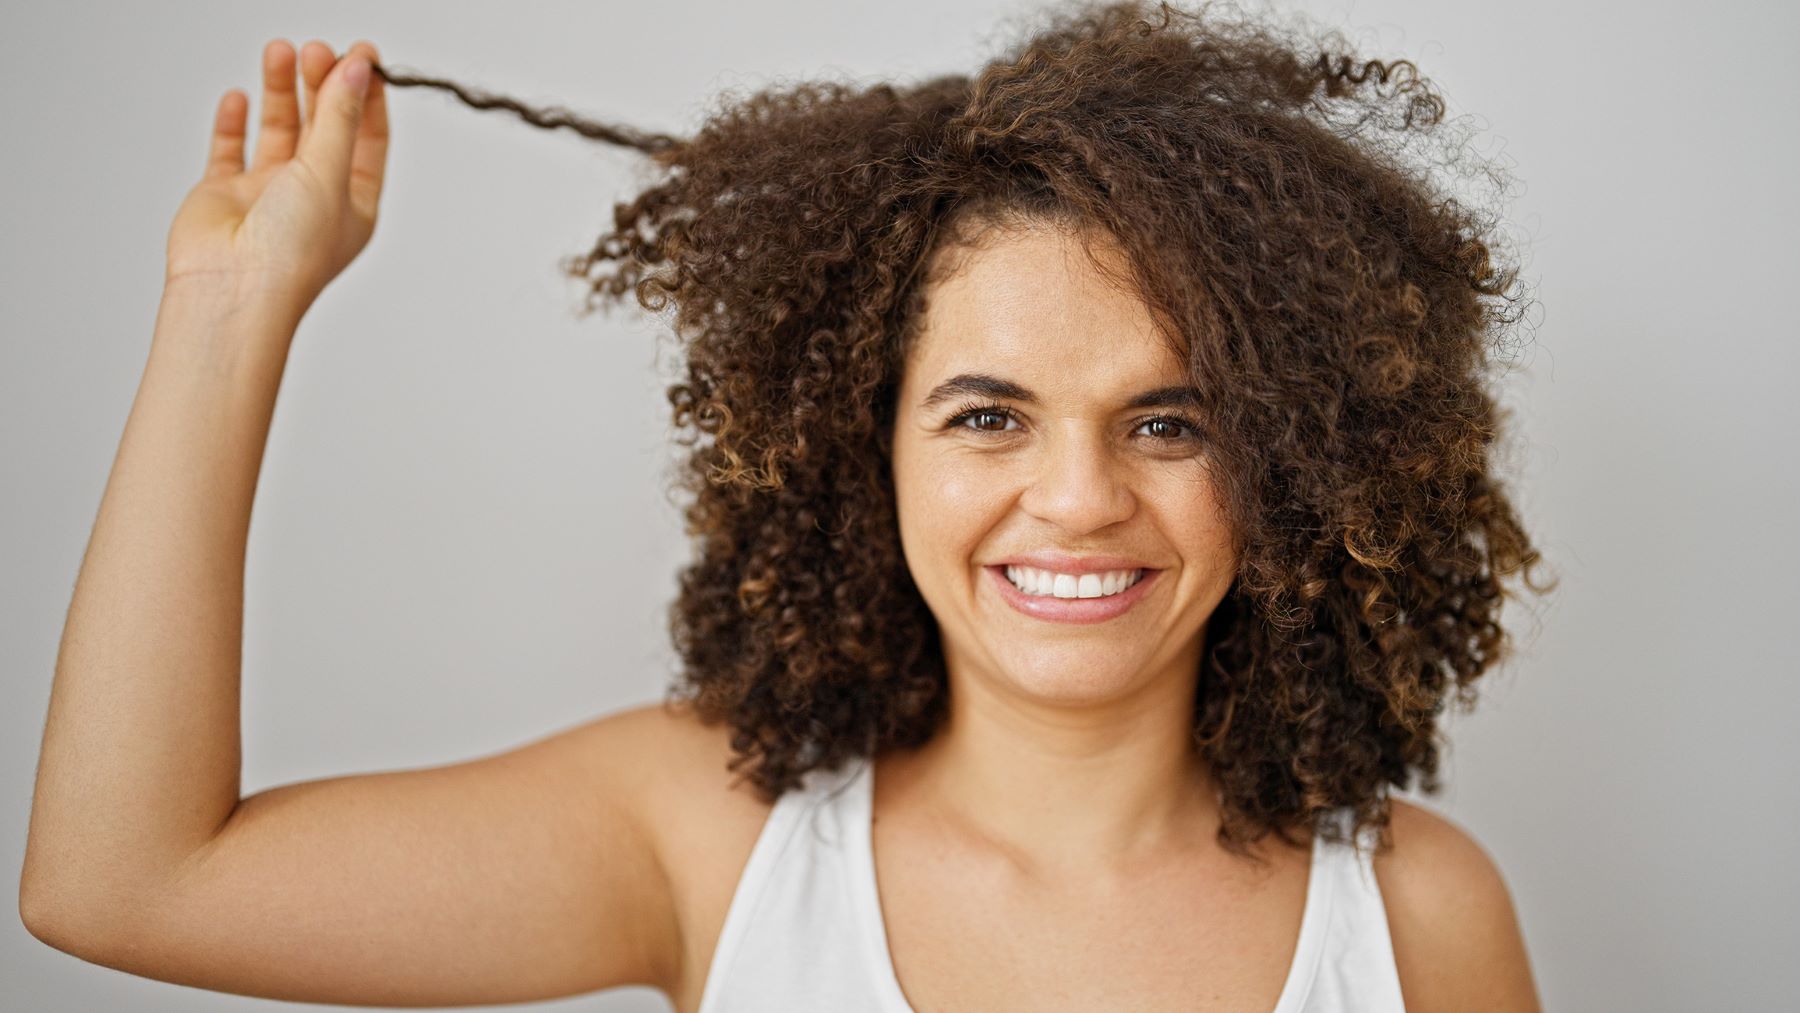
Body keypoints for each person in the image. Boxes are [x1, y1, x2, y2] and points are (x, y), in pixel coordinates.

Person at [21, 1, 1553, 1009]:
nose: (1078, 498)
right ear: (861, 448)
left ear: (1286, 456)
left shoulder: (1418, 917)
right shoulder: (710, 837)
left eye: (1169, 420)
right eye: (988, 415)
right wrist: (228, 309)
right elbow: (124, 878)